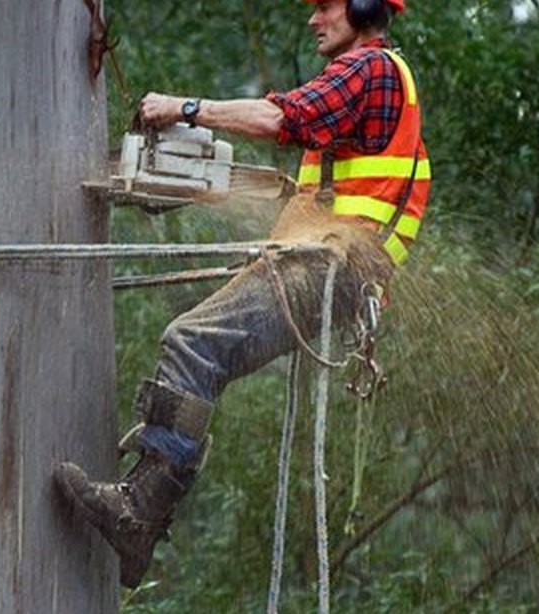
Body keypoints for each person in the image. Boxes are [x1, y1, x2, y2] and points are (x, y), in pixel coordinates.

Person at [55, 0, 431, 588]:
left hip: (330, 266)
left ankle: (138, 512)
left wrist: (185, 109)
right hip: (332, 270)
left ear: (362, 8)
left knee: (194, 342)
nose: (315, 20)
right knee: (205, 356)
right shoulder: (387, 82)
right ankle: (141, 523)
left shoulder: (368, 70)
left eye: (327, 6)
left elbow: (282, 118)